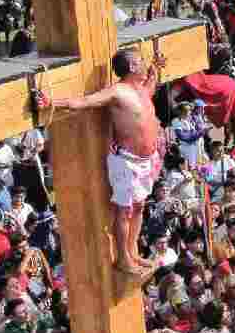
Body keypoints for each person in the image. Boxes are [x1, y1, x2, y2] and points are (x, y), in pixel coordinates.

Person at [50, 48, 168, 276]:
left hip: (146, 161)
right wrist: (52, 102)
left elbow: (150, 86)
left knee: (140, 206)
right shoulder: (117, 92)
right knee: (124, 211)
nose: (143, 63)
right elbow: (83, 102)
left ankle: (132, 251)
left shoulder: (141, 89)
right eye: (141, 61)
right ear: (132, 67)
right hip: (126, 161)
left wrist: (156, 69)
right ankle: (123, 258)